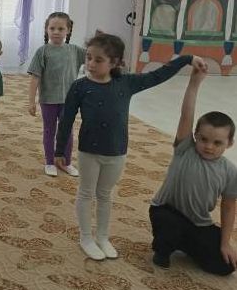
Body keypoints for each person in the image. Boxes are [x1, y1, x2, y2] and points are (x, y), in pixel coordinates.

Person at [55, 32, 207, 261]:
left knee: (105, 194)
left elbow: (158, 75)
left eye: (98, 60)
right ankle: (86, 237)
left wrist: (186, 59)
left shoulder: (126, 83)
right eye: (88, 57)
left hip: (116, 152)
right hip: (89, 151)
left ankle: (102, 237)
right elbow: (66, 119)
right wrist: (60, 150)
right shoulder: (79, 87)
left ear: (114, 62)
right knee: (86, 192)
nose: (91, 63)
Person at [149, 65, 237, 275]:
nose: (209, 146)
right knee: (169, 226)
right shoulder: (185, 149)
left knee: (226, 265)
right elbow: (186, 115)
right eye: (203, 139)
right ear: (195, 136)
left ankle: (183, 243)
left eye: (217, 143)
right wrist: (194, 83)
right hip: (166, 211)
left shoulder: (231, 172)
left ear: (230, 144)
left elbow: (228, 207)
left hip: (198, 222)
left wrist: (225, 243)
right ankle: (164, 248)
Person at [27, 12, 86, 176]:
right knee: (49, 130)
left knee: (67, 132)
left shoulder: (75, 51)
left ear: (68, 30)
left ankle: (66, 162)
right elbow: (35, 78)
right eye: (52, 28)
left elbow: (93, 55)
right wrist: (31, 101)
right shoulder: (42, 51)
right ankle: (50, 162)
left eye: (61, 29)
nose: (56, 32)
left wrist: (101, 42)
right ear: (46, 29)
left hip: (69, 101)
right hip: (48, 100)